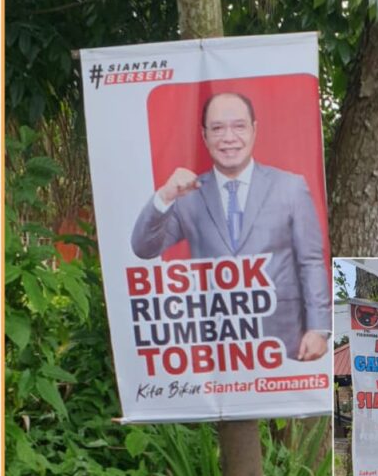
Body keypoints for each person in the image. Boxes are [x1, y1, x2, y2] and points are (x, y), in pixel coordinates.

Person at [131, 91, 330, 361]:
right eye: (217, 128)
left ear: (254, 130)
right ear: (204, 136)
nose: (228, 138)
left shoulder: (291, 187)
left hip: (285, 345)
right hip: (215, 349)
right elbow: (144, 248)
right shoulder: (187, 195)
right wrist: (164, 197)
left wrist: (320, 328)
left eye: (238, 126)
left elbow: (311, 261)